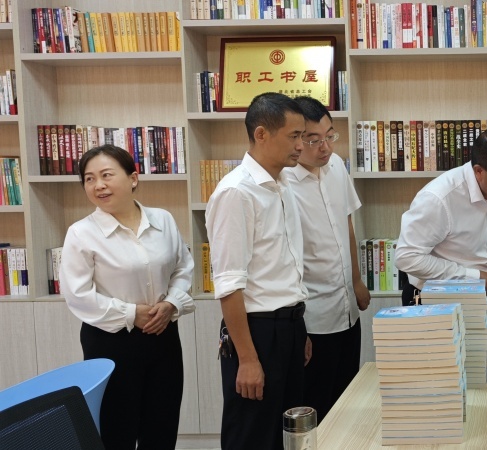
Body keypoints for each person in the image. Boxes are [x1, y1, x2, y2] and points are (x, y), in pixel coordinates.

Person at [61, 144, 195, 450]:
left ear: (133, 178)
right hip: (111, 341)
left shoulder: (162, 220)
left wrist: (171, 303)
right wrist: (131, 313)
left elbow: (183, 267)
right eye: (89, 179)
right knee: (116, 431)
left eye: (107, 175)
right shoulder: (81, 233)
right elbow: (78, 295)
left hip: (162, 332)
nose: (99, 185)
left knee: (161, 425)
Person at [206, 92, 310, 450]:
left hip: (289, 326)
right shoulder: (236, 193)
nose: (301, 145)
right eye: (294, 136)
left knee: (288, 436)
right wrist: (248, 358)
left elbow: (284, 267)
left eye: (303, 136)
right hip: (257, 332)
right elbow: (229, 285)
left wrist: (299, 328)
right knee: (253, 436)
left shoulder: (283, 186)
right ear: (261, 134)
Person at [284, 96, 370, 421]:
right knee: (315, 406)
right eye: (313, 140)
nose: (326, 148)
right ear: (296, 139)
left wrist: (357, 280)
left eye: (330, 136)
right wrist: (299, 329)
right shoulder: (284, 183)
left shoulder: (335, 167)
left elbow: (346, 224)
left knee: (346, 400)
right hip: (313, 316)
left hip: (346, 309)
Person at [395, 127, 487, 304]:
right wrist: (471, 277)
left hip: (475, 299)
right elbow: (406, 257)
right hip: (432, 301)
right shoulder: (439, 198)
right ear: (479, 171)